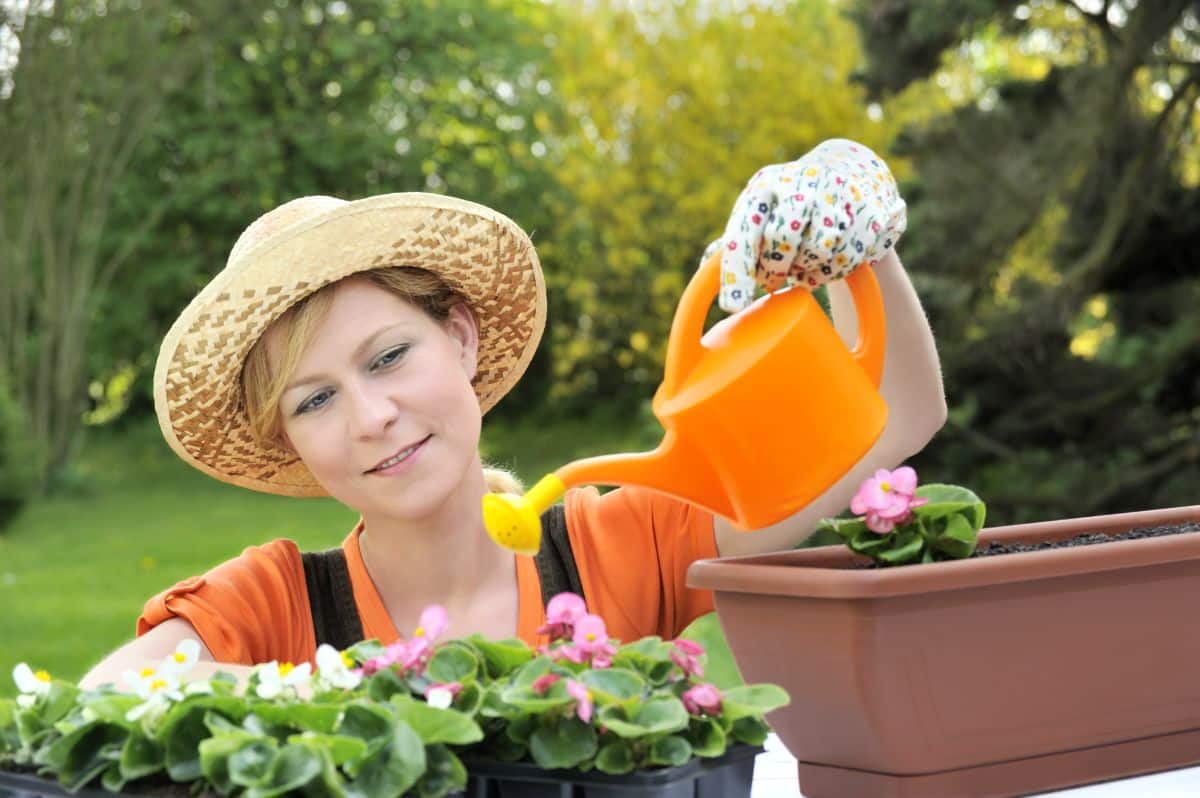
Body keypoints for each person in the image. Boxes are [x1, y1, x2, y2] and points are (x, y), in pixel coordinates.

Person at [79, 139, 946, 689]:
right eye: (315, 400)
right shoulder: (273, 607)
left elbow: (896, 419)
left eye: (388, 357)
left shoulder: (622, 548)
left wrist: (854, 239)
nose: (372, 415)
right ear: (290, 442)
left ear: (457, 337)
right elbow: (89, 714)